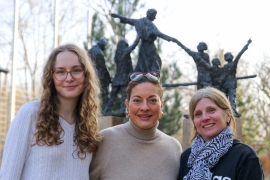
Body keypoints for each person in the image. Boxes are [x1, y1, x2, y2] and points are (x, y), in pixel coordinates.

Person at [0, 44, 101, 179]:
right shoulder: (30, 114)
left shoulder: (88, 125)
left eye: (76, 70)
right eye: (60, 72)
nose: (69, 78)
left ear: (86, 75)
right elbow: (8, 175)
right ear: (51, 77)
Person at [90, 72, 182, 180]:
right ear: (128, 105)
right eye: (137, 100)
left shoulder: (174, 148)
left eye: (152, 100)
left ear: (161, 105)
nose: (144, 107)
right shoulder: (104, 141)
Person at [178, 87, 264, 180]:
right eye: (198, 114)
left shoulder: (244, 156)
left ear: (227, 115)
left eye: (211, 110)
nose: (205, 118)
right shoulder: (186, 158)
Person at [110, 9, 179, 73]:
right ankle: (151, 77)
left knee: (145, 64)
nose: (155, 18)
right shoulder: (150, 25)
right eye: (154, 16)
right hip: (150, 48)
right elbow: (160, 34)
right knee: (153, 64)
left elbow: (127, 20)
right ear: (150, 15)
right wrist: (171, 39)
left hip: (143, 47)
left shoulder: (139, 22)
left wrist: (118, 16)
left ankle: (144, 76)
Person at [103, 38, 140, 116]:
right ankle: (122, 110)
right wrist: (138, 37)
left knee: (113, 95)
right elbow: (133, 46)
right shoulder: (125, 52)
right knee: (124, 95)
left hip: (117, 79)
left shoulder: (116, 55)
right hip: (123, 78)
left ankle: (107, 109)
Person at [223, 38, 252, 117]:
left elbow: (240, 54)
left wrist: (247, 44)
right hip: (228, 84)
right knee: (227, 98)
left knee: (231, 98)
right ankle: (227, 111)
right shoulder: (226, 66)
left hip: (229, 84)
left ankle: (232, 111)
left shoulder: (232, 64)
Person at [88, 38, 111, 112]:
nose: (105, 47)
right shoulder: (99, 53)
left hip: (91, 75)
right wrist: (109, 77)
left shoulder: (90, 50)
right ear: (102, 44)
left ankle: (91, 109)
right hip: (100, 75)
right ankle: (105, 110)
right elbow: (103, 67)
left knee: (91, 94)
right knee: (104, 92)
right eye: (105, 45)